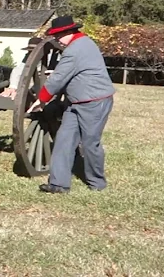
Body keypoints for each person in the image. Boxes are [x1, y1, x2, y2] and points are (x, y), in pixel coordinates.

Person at [29, 16, 115, 194]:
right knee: (64, 139)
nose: (57, 39)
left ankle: (97, 183)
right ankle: (59, 184)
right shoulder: (83, 43)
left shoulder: (76, 49)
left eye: (58, 35)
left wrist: (41, 100)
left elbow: (58, 78)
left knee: (90, 143)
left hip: (94, 102)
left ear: (69, 32)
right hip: (75, 102)